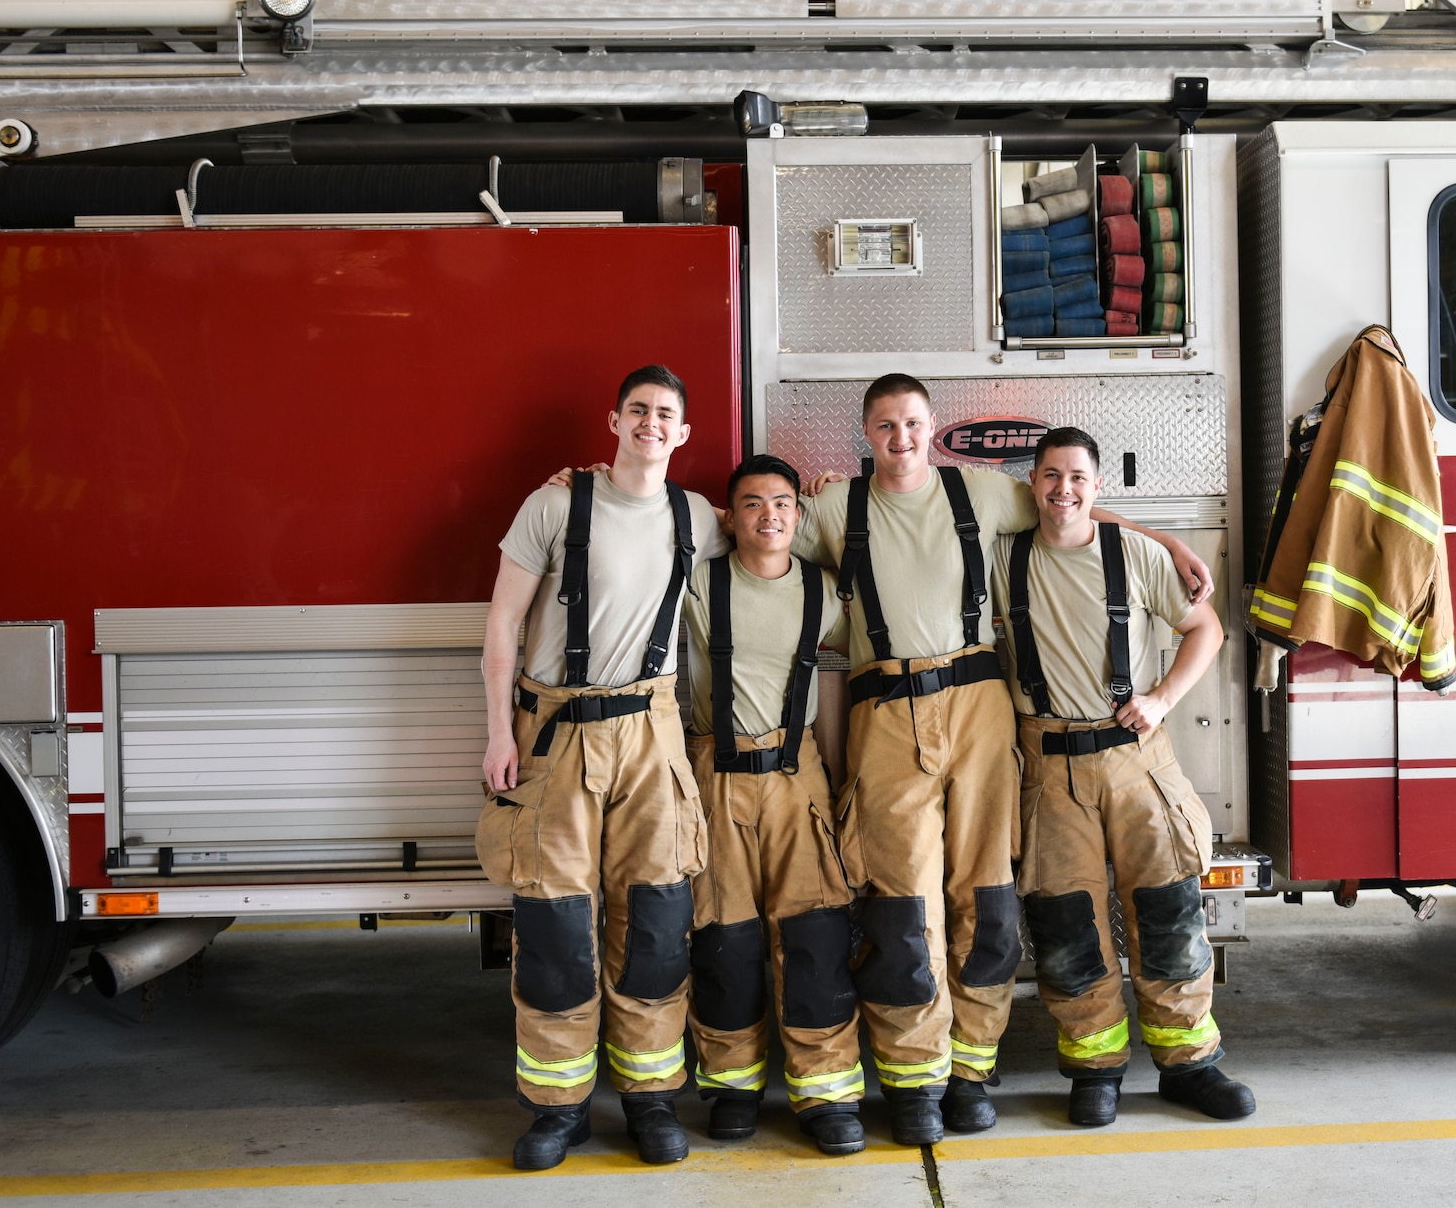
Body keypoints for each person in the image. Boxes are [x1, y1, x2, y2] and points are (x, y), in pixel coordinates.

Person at [791, 374, 1214, 1145]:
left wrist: (1170, 541)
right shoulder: (829, 508)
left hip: (980, 706)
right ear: (864, 432)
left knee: (985, 896)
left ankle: (970, 1071)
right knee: (902, 904)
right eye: (885, 425)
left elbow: (1068, 509)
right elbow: (742, 530)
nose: (901, 438)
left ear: (932, 426)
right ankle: (917, 1079)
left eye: (913, 423)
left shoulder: (980, 491)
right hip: (883, 712)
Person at [477, 365, 726, 1172]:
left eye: (667, 415)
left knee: (655, 924)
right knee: (554, 929)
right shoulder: (554, 504)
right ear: (614, 421)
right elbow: (502, 624)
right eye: (639, 411)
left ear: (684, 434)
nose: (652, 423)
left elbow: (777, 533)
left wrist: (823, 488)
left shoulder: (699, 517)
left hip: (652, 735)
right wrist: (497, 734)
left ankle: (651, 1101)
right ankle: (558, 1108)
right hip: (554, 735)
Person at [991, 426, 1253, 1129]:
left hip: (1138, 762)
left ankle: (1189, 1063)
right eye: (1049, 476)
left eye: (1077, 477)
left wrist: (1163, 697)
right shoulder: (1003, 556)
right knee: (1066, 924)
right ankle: (1094, 1066)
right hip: (1049, 770)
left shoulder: (1132, 553)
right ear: (1032, 484)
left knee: (1168, 914)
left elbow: (1208, 629)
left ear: (1097, 485)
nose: (1063, 490)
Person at [678, 454, 866, 1157]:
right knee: (725, 940)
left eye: (783, 502)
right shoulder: (698, 585)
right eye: (752, 503)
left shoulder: (825, 593)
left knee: (816, 940)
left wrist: (843, 779)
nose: (769, 515)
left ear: (799, 512)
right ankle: (732, 1087)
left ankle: (826, 1092)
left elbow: (842, 684)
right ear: (730, 517)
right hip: (715, 776)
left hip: (800, 779)